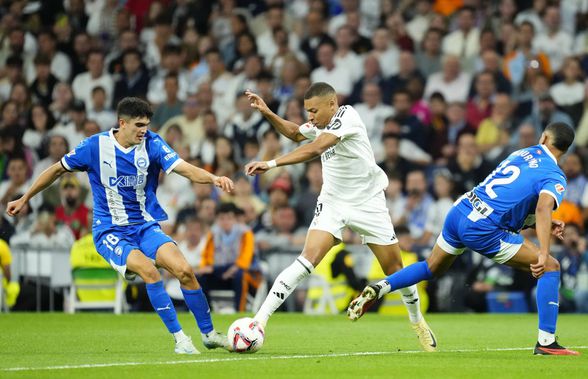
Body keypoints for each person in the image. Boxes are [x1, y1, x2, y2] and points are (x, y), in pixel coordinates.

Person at [6, 97, 234, 355]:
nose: (143, 130)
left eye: (146, 124)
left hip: (145, 226)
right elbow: (56, 170)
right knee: (149, 271)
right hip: (110, 231)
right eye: (138, 125)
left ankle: (209, 333)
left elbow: (185, 169)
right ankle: (181, 339)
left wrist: (213, 178)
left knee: (184, 271)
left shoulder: (152, 143)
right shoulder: (94, 147)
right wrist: (25, 198)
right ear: (122, 123)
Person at [348, 122, 580, 356]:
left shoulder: (522, 153)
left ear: (543, 138)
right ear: (565, 149)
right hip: (484, 228)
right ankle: (546, 342)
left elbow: (509, 198)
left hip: (461, 210)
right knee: (550, 265)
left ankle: (380, 286)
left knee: (431, 267)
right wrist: (542, 249)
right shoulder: (554, 174)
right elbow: (543, 208)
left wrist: (542, 223)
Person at [244, 83, 437, 352]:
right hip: (333, 202)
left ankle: (418, 322)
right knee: (307, 258)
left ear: (332, 104)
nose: (309, 117)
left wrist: (272, 163)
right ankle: (259, 322)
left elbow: (315, 149)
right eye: (306, 111)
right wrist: (267, 112)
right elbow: (295, 133)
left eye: (313, 110)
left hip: (368, 202)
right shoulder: (318, 125)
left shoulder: (348, 117)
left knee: (395, 269)